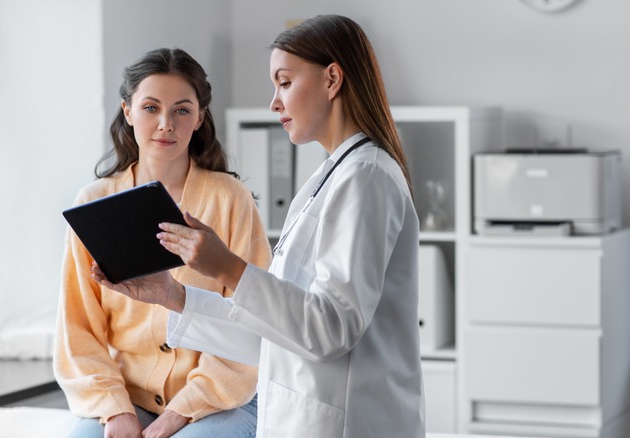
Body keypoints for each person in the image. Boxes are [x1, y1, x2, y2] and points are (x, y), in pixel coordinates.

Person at [90, 15, 425, 438]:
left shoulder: (366, 177)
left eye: (284, 82)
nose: (274, 102)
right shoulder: (333, 177)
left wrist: (226, 267)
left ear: (332, 78)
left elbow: (329, 330)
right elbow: (274, 334)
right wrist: (171, 295)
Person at [54, 48, 272, 438]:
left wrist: (181, 412)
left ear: (201, 117)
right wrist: (115, 410)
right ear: (128, 110)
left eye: (182, 110)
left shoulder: (230, 199)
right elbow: (77, 331)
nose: (165, 124)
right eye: (151, 108)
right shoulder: (93, 204)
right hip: (127, 396)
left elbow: (256, 317)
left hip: (222, 398)